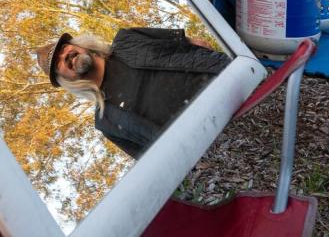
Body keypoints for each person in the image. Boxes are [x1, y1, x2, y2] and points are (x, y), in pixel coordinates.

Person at [32, 28, 230, 158]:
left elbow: (195, 43)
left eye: (64, 48)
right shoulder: (106, 122)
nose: (65, 55)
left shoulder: (127, 40)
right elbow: (156, 159)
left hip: (231, 83)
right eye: (58, 62)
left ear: (79, 45)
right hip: (217, 141)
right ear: (65, 80)